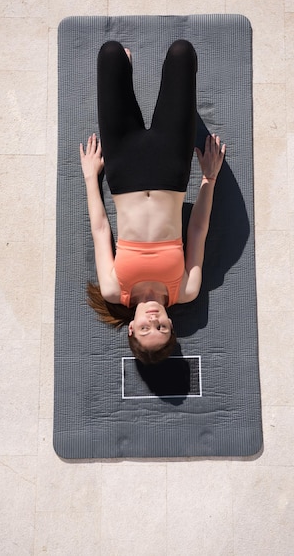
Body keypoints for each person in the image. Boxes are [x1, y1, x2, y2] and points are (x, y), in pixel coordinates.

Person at [80, 39, 225, 364]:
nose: (152, 319)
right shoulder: (185, 291)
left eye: (146, 329)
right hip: (170, 167)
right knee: (181, 52)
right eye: (161, 327)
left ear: (132, 328)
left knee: (110, 53)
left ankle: (124, 67)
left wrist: (91, 177)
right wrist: (209, 179)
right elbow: (198, 230)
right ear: (171, 325)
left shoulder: (114, 290)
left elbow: (101, 230)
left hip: (123, 167)